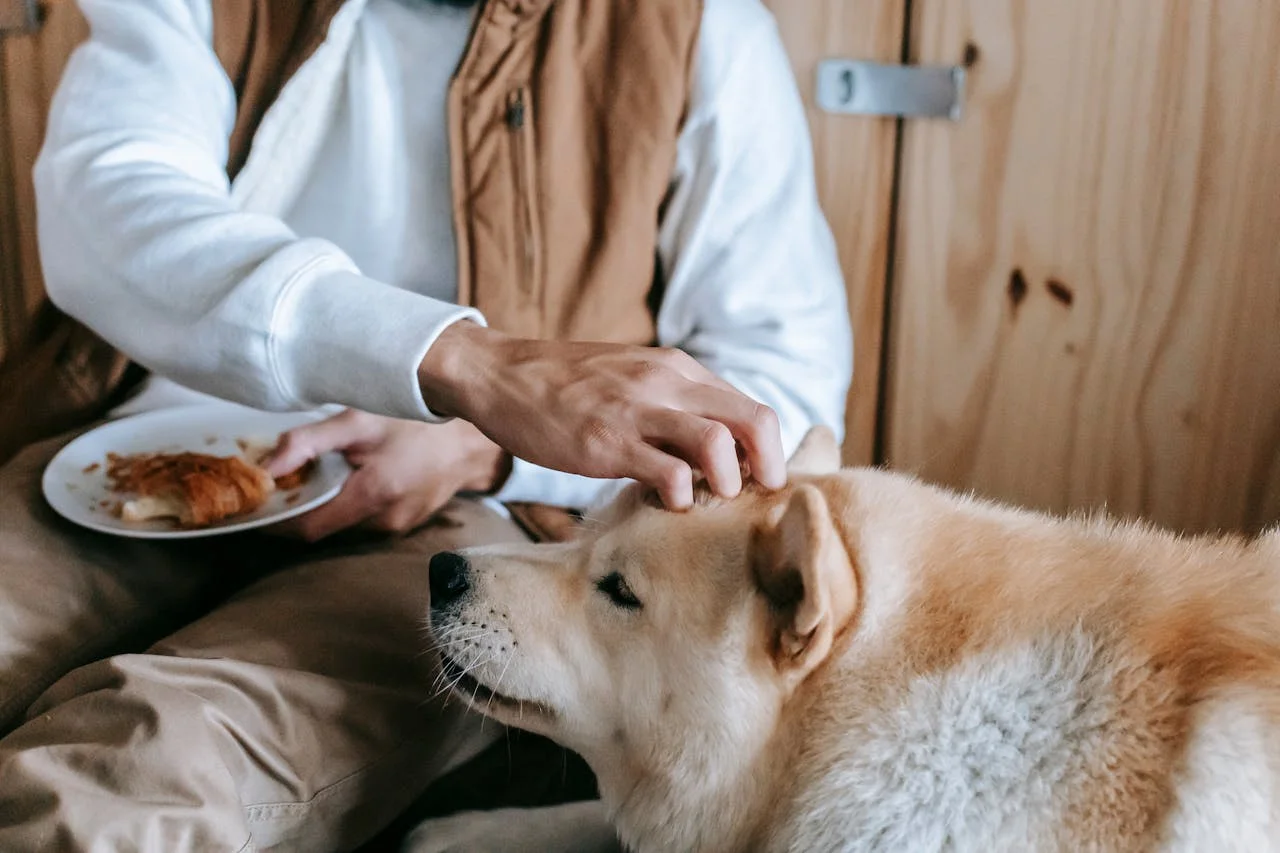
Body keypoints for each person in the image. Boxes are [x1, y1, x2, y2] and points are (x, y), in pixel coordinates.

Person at [0, 0, 852, 849]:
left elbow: (783, 396)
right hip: (140, 457)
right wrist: (465, 365)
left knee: (134, 774)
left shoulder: (701, 28)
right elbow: (106, 199)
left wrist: (486, 446)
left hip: (468, 514)